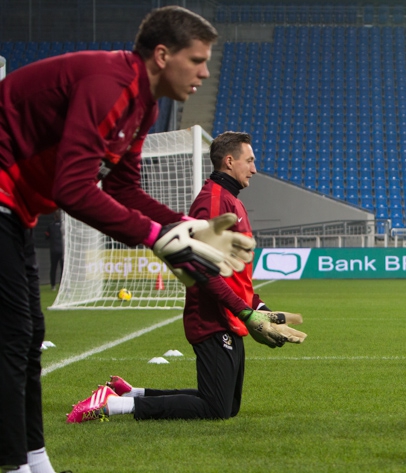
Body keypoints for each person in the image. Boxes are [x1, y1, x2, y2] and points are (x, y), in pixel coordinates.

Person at [0, 7, 255, 473]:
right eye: (198, 60)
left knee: (26, 341)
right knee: (11, 343)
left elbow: (121, 190)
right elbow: (74, 189)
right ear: (162, 56)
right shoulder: (109, 84)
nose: (205, 73)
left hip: (16, 209)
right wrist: (161, 236)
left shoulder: (143, 106)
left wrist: (190, 228)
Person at [67, 132, 305, 424]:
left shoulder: (230, 200)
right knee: (215, 408)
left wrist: (262, 310)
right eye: (250, 161)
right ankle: (111, 406)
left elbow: (234, 273)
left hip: (230, 315)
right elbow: (203, 269)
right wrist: (245, 312)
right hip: (213, 317)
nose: (254, 169)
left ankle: (132, 394)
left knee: (226, 405)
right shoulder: (215, 202)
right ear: (229, 162)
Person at [44, 211, 63, 291]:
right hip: (62, 250)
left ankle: (53, 285)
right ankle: (62, 285)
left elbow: (46, 236)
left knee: (53, 268)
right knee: (63, 268)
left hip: (54, 250)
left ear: (55, 216)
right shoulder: (64, 226)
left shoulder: (50, 226)